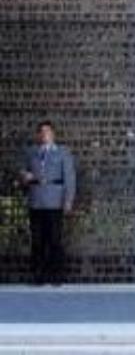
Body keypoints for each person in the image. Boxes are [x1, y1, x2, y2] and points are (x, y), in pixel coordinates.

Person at [18, 121, 76, 285]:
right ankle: (38, 276)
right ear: (38, 135)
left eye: (47, 131)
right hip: (36, 202)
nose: (44, 135)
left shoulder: (62, 153)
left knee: (55, 240)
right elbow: (22, 175)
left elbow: (70, 178)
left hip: (55, 202)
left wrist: (68, 200)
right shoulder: (32, 153)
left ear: (53, 134)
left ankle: (56, 276)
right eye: (41, 132)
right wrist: (24, 176)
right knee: (37, 241)